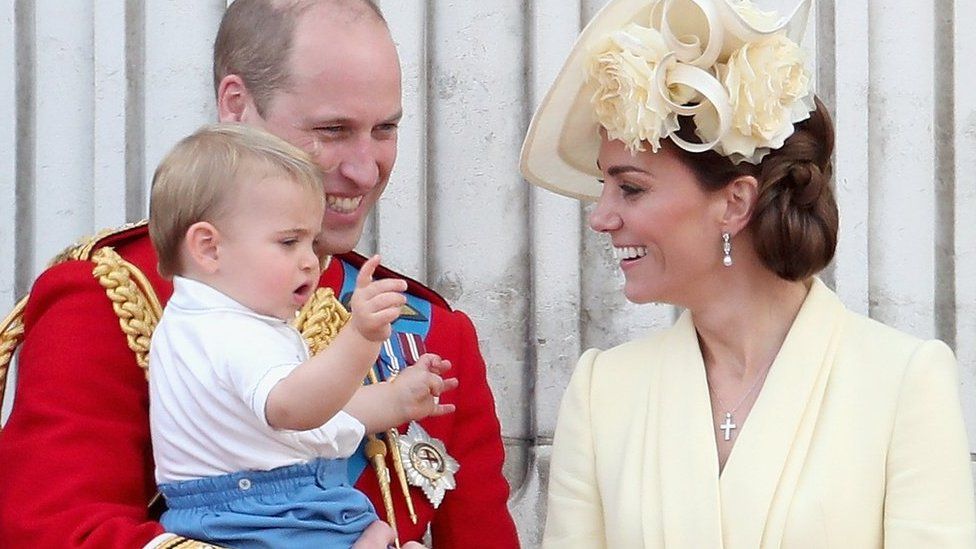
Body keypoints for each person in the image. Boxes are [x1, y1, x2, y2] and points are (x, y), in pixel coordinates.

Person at [0, 1, 519, 547]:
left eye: (385, 128)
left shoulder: (429, 330)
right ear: (237, 105)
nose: (366, 169)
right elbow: (52, 533)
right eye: (332, 129)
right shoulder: (112, 299)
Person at [520, 0, 976, 547]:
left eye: (631, 188)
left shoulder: (903, 381)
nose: (600, 217)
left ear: (735, 202)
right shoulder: (602, 392)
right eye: (604, 187)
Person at [147, 124, 454, 548]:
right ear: (209, 248)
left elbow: (314, 413)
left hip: (249, 509)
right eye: (289, 241)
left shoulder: (196, 321)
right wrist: (360, 338)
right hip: (265, 515)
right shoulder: (232, 332)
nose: (311, 261)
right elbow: (295, 409)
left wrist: (396, 400)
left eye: (311, 242)